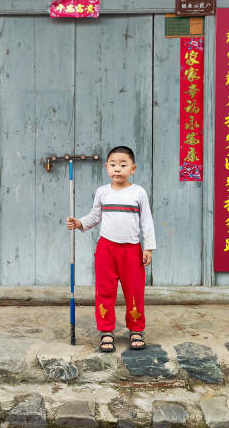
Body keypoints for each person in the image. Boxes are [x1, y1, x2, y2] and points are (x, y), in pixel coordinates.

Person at [66, 146, 156, 352]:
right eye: (113, 165)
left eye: (123, 165)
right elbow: (94, 217)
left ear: (132, 168)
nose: (118, 169)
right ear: (107, 167)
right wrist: (79, 223)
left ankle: (136, 330)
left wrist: (148, 247)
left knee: (134, 291)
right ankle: (106, 331)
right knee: (104, 291)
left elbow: (146, 221)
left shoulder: (138, 192)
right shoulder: (102, 192)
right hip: (106, 249)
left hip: (132, 251)